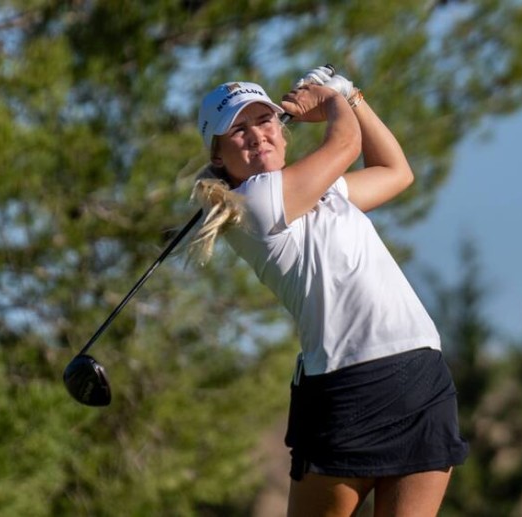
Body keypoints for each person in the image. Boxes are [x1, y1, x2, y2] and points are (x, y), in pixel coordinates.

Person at [189, 67, 468, 516]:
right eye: (237, 131)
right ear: (219, 156)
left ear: (281, 132)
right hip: (348, 388)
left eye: (264, 121)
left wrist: (354, 97)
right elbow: (346, 144)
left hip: (420, 373)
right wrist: (333, 101)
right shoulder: (254, 206)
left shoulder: (324, 193)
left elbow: (394, 172)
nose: (257, 135)